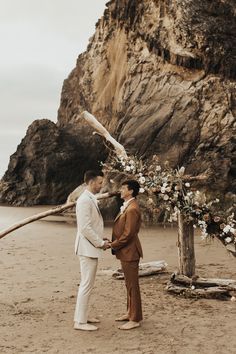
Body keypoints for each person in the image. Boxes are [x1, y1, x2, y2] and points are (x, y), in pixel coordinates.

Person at [74, 170, 110, 331]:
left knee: (87, 284)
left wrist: (102, 239)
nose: (101, 186)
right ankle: (80, 322)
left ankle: (83, 316)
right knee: (86, 284)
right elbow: (85, 228)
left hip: (89, 247)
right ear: (90, 182)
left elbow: (92, 226)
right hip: (87, 248)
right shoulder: (84, 200)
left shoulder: (90, 198)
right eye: (99, 182)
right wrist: (100, 243)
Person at [110, 179, 143, 330]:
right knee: (128, 284)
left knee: (132, 285)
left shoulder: (132, 209)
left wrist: (113, 244)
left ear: (130, 191)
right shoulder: (128, 206)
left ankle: (135, 319)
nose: (120, 190)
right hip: (126, 251)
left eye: (123, 188)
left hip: (130, 251)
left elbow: (128, 233)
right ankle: (130, 312)